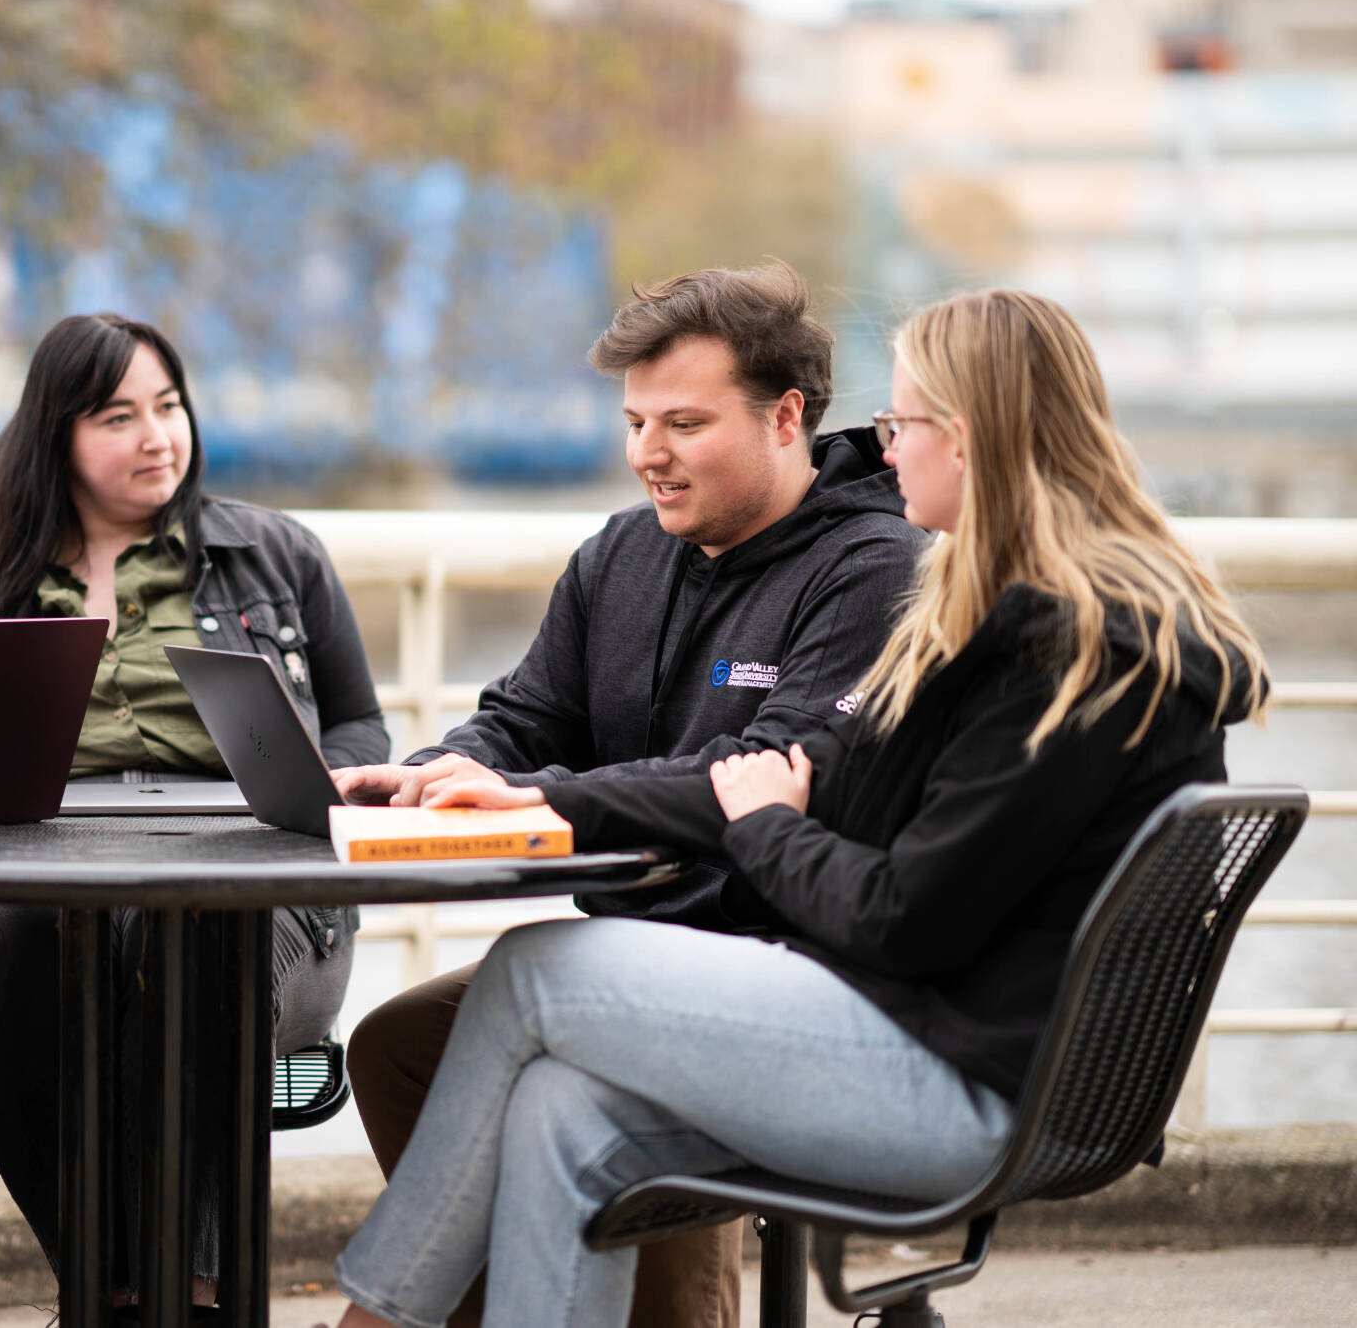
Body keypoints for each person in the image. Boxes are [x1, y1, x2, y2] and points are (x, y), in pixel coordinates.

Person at [328, 288, 1270, 1328]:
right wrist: (775, 791)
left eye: (900, 424)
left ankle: (373, 1323)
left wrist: (764, 820)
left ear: (964, 439)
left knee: (530, 973)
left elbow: (901, 915)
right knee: (561, 1110)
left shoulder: (1065, 653)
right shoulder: (1018, 618)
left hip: (973, 1082)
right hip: (952, 1039)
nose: (879, 445)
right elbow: (846, 795)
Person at [329, 262, 926, 1328]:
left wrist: (539, 794)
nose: (647, 452)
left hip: (790, 964)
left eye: (684, 422)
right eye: (634, 420)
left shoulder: (874, 567)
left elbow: (767, 775)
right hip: (633, 951)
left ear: (784, 417)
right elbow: (522, 721)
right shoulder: (619, 553)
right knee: (396, 1043)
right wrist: (439, 774)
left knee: (559, 1031)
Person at [0, 311, 389, 1306]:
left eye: (170, 405)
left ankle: (177, 1289)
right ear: (54, 434)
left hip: (253, 875)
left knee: (197, 941)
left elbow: (361, 720)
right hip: (13, 884)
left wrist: (332, 776)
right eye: (118, 415)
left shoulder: (276, 557)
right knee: (33, 951)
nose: (158, 435)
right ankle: (120, 1289)